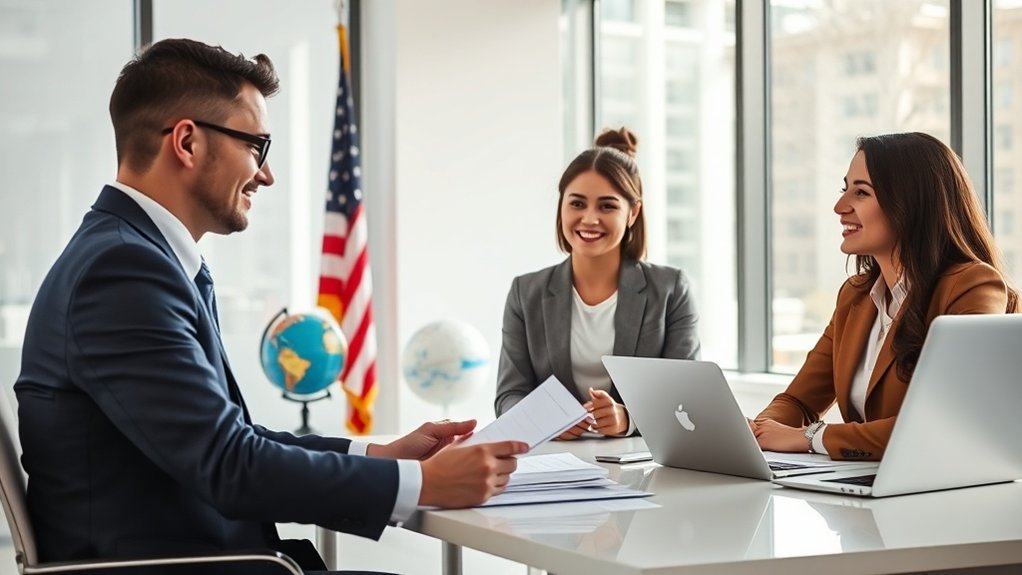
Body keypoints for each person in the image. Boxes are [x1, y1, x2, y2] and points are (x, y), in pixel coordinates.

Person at [13, 38, 526, 574]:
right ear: (186, 142)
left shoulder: (138, 257)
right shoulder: (121, 273)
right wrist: (425, 483)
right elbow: (228, 465)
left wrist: (380, 456)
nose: (266, 173)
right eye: (256, 146)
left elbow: (229, 436)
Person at [752, 132, 1017, 461]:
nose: (840, 206)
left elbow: (941, 425)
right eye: (844, 189)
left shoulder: (973, 286)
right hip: (866, 487)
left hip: (933, 492)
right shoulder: (855, 297)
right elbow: (799, 401)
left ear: (910, 203)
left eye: (861, 192)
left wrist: (810, 438)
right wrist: (758, 431)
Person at [494, 127, 701, 439]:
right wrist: (546, 419)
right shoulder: (526, 292)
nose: (589, 219)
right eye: (577, 203)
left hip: (638, 462)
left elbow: (687, 397)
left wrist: (628, 418)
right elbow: (509, 396)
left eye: (607, 206)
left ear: (632, 213)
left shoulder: (672, 289)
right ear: (561, 206)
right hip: (555, 462)